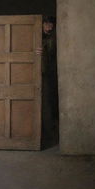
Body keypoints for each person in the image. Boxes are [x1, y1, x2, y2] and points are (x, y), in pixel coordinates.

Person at [36, 16, 58, 146]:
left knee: (47, 104)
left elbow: (51, 55)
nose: (49, 27)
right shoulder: (34, 35)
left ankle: (49, 134)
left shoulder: (52, 38)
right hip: (34, 74)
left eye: (51, 25)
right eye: (47, 24)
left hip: (47, 74)